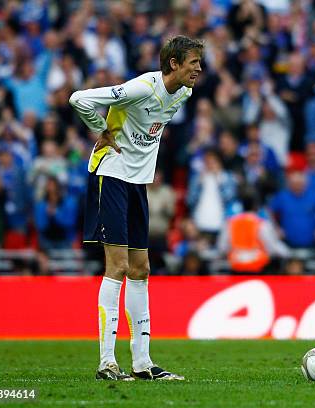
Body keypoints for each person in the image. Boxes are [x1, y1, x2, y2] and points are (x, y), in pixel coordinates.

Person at [69, 35, 203, 381]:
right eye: (193, 63)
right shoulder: (141, 88)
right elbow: (79, 98)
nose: (199, 69)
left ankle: (143, 364)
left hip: (137, 184)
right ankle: (106, 363)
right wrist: (100, 129)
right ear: (173, 63)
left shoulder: (184, 94)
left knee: (141, 269)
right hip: (110, 174)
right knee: (117, 265)